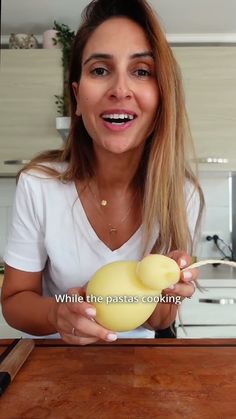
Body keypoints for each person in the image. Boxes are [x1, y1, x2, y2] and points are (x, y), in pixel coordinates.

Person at [1, 0, 204, 345]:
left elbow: (159, 319)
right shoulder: (39, 184)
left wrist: (168, 290)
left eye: (141, 71)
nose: (120, 90)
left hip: (139, 369)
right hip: (57, 368)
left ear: (162, 95)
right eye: (99, 70)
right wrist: (57, 313)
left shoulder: (182, 193)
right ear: (78, 97)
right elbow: (13, 300)